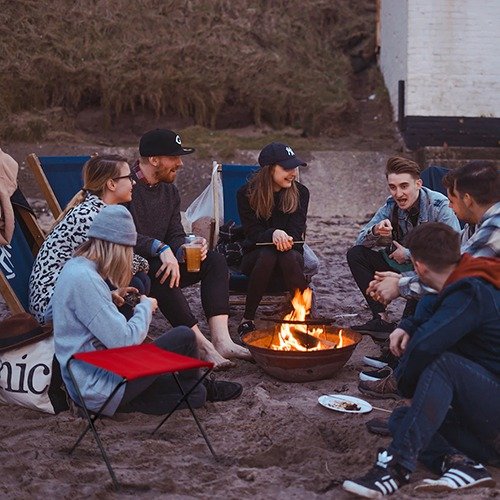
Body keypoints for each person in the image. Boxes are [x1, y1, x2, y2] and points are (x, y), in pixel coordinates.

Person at [343, 223, 499, 497]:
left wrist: (406, 389)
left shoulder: (471, 289)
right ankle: (462, 465)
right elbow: (434, 315)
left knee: (443, 365)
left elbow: (426, 345)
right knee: (402, 418)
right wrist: (409, 325)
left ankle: (396, 468)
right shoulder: (459, 279)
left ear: (419, 266)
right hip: (485, 428)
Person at [52, 205, 242, 417]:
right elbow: (124, 340)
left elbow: (75, 312)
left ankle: (200, 387)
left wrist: (109, 296)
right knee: (184, 336)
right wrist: (145, 307)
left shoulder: (76, 267)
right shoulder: (86, 279)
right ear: (117, 247)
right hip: (102, 387)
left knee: (196, 396)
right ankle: (199, 385)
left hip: (92, 379)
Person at [126, 128, 251, 369]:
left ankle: (222, 341)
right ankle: (202, 346)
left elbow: (174, 233)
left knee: (215, 261)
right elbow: (121, 234)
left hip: (165, 260)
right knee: (161, 271)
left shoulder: (170, 191)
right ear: (154, 160)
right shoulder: (125, 186)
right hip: (132, 267)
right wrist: (161, 248)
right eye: (174, 157)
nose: (180, 164)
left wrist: (185, 246)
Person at [346, 156, 460, 339]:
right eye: (393, 187)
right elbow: (359, 240)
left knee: (407, 329)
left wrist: (408, 253)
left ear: (418, 184)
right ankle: (381, 319)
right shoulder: (391, 205)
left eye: (404, 186)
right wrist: (376, 230)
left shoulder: (440, 205)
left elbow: (453, 251)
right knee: (356, 254)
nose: (398, 194)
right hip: (400, 265)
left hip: (428, 271)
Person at [29, 154, 150, 324]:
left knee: (139, 281)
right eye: (129, 177)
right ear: (111, 184)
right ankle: (119, 332)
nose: (134, 182)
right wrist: (146, 261)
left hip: (69, 291)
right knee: (135, 282)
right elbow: (118, 264)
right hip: (53, 306)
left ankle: (121, 329)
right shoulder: (90, 217)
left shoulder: (95, 209)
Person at [367, 160, 499, 307]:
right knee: (429, 301)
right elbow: (451, 257)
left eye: (451, 201)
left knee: (434, 299)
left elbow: (458, 274)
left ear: (467, 200)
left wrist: (399, 285)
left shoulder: (496, 226)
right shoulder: (474, 224)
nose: (449, 206)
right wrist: (401, 278)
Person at [236, 142, 309, 336]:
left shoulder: (301, 193)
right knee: (268, 253)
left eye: (295, 167)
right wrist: (273, 233)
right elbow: (252, 233)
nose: (293, 173)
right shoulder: (246, 194)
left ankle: (304, 316)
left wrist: (284, 238)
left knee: (286, 255)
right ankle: (248, 318)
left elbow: (296, 232)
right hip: (256, 259)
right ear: (269, 169)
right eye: (287, 168)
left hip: (290, 258)